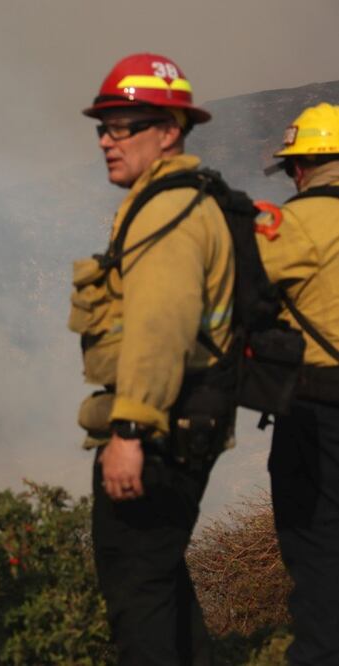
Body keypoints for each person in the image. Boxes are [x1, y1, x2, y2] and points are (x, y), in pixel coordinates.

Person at [69, 53, 235, 665]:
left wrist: (130, 430)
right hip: (183, 421)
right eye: (103, 127)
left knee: (136, 592)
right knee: (159, 582)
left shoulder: (167, 209)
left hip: (161, 429)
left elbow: (158, 328)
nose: (107, 142)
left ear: (169, 132)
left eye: (124, 126)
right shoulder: (178, 200)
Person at [257, 102, 339, 665]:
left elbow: (232, 296)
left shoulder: (295, 223)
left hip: (318, 411)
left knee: (317, 547)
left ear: (305, 166)